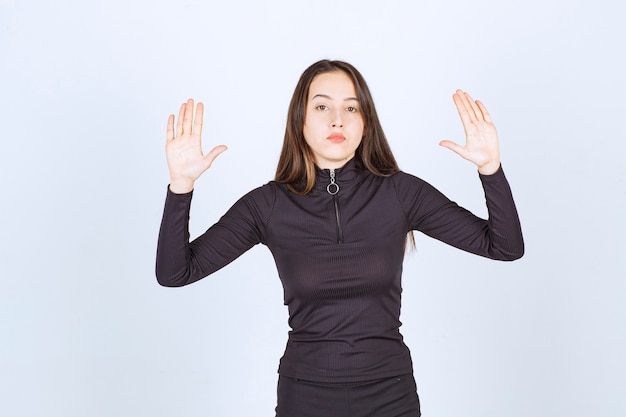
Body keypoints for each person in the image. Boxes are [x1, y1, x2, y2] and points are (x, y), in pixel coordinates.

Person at [156, 59, 524, 417]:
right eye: (322, 106)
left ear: (366, 123)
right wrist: (181, 187)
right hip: (305, 395)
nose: (337, 119)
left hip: (390, 394)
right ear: (299, 119)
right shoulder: (267, 205)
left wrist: (490, 168)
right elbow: (175, 273)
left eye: (352, 107)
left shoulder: (400, 193)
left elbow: (504, 247)